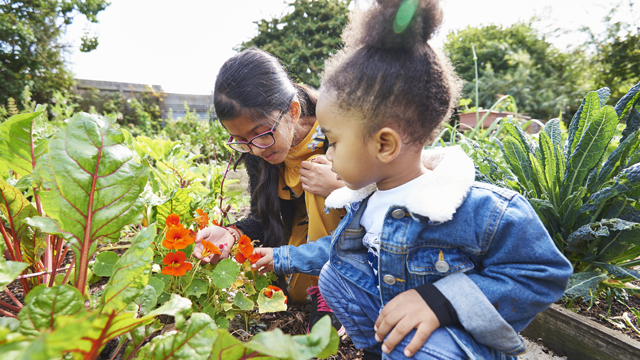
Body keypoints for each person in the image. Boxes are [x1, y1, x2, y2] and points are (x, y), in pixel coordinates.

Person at [250, 0, 573, 359]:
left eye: (335, 142)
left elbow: (545, 272)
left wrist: (441, 301)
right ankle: (384, 349)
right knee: (334, 275)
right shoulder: (366, 202)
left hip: (452, 344)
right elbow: (336, 252)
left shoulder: (479, 209)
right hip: (407, 329)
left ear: (384, 144)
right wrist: (281, 257)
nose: (327, 155)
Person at [195, 47, 345, 333]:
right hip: (307, 238)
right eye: (240, 140)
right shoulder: (258, 150)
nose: (253, 149)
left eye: (260, 134)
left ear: (293, 110)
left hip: (353, 240)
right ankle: (318, 284)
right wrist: (231, 232)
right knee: (296, 289)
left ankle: (333, 287)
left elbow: (389, 193)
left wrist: (340, 186)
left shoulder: (340, 128)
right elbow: (266, 219)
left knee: (317, 167)